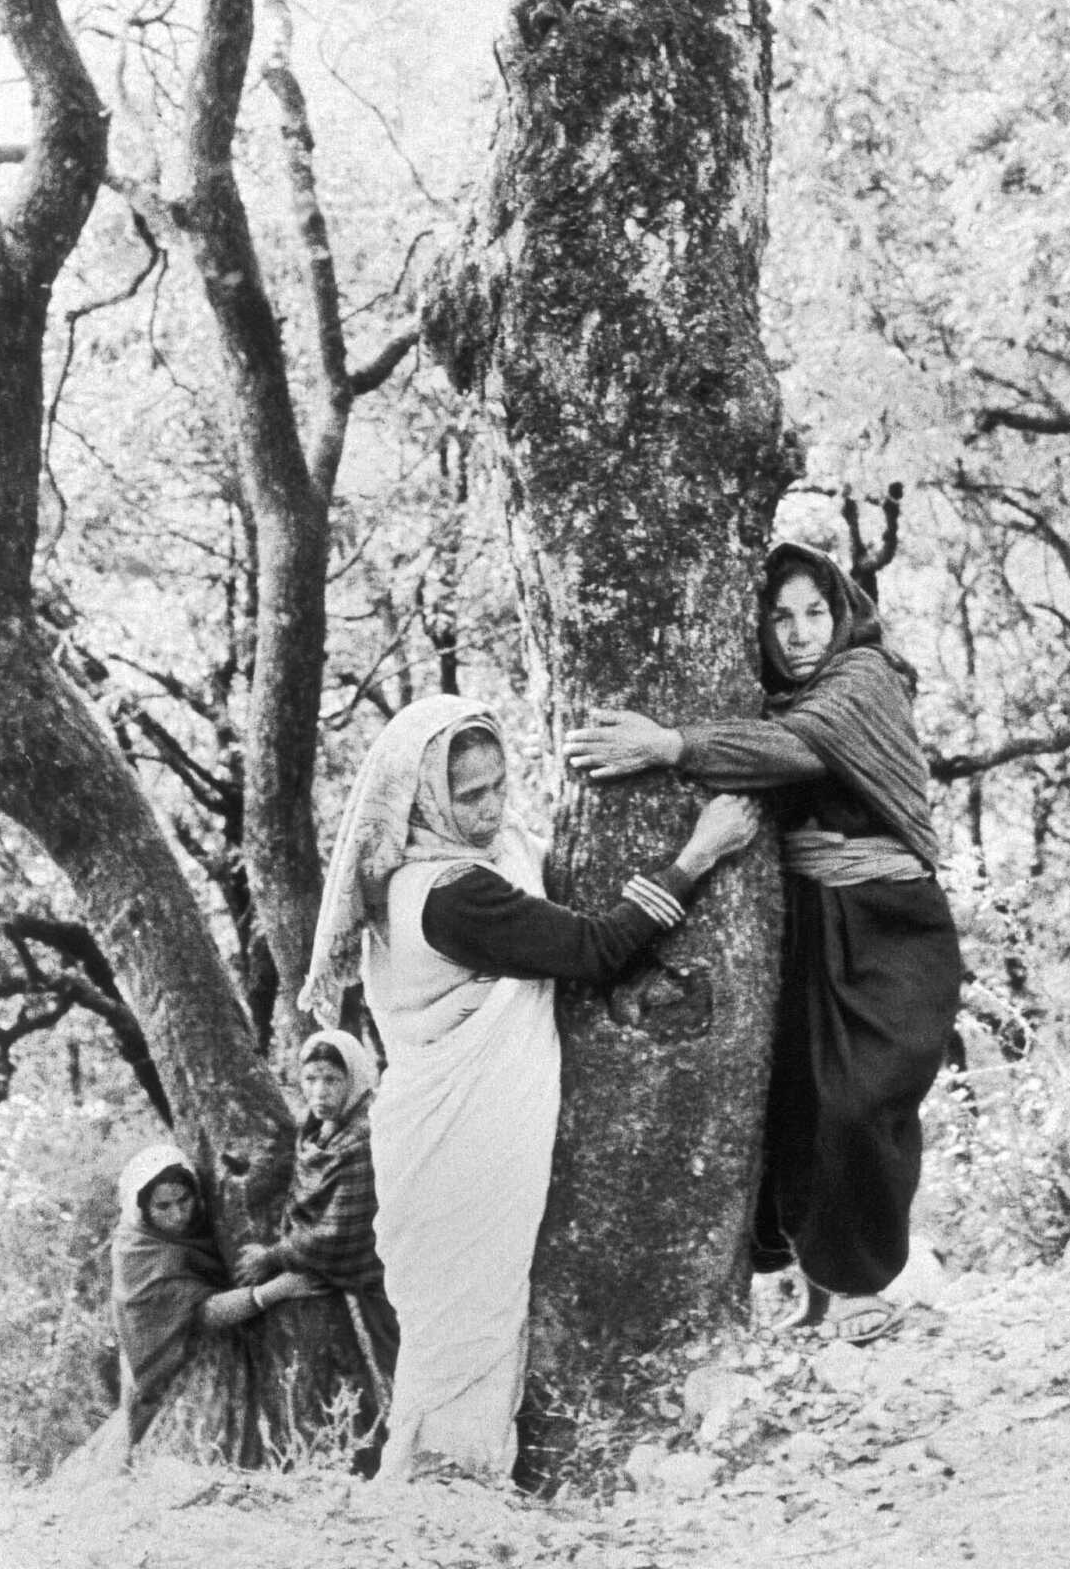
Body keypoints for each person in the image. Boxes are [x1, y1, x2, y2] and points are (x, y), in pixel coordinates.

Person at [297, 692, 756, 1482]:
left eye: (497, 785)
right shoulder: (450, 893)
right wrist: (700, 854)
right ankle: (443, 1480)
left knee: (471, 1313)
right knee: (464, 1318)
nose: (488, 810)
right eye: (467, 795)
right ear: (421, 799)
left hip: (447, 1118)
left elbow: (527, 868)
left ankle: (451, 1472)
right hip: (456, 1133)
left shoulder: (455, 862)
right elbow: (595, 948)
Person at [565, 541, 962, 1344]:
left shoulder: (863, 680)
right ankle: (822, 1289)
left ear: (842, 615)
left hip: (890, 919)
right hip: (813, 918)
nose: (799, 633)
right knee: (800, 1099)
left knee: (861, 1101)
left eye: (815, 612)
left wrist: (669, 745)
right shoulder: (772, 701)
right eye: (780, 617)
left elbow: (799, 750)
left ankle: (861, 1283)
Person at [111, 1143, 319, 1450]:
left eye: (184, 1200)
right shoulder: (138, 1251)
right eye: (163, 1207)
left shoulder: (202, 1226)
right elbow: (202, 1313)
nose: (178, 1215)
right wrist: (274, 1291)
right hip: (174, 1366)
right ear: (142, 1208)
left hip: (224, 1349)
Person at [235, 1028, 398, 1419]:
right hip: (336, 1286)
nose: (320, 1091)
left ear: (354, 1079)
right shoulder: (315, 1131)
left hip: (375, 1281)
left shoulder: (363, 1137)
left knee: (392, 1364)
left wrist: (273, 1256)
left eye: (332, 1080)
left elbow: (340, 1233)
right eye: (311, 1079)